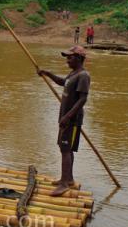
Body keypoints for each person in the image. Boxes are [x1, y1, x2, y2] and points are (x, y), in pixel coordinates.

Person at [37, 46, 91, 196]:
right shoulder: (74, 73)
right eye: (67, 57)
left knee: (65, 149)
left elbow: (82, 99)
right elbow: (63, 82)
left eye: (70, 57)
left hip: (72, 120)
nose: (67, 60)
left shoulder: (83, 76)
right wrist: (47, 74)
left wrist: (67, 117)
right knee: (65, 148)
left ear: (79, 59)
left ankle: (64, 184)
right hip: (65, 118)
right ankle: (68, 178)